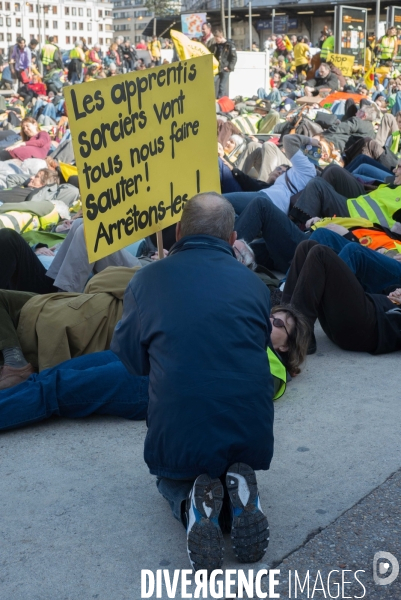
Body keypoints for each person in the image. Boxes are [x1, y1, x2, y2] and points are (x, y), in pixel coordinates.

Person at [111, 193, 278, 572]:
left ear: (178, 231)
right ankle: (240, 501)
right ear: (232, 236)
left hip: (179, 434)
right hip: (251, 433)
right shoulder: (254, 285)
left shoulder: (146, 280)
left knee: (170, 480)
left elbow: (132, 363)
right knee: (223, 452)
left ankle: (190, 504)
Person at [282, 240, 401, 355]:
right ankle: (283, 318)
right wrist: (394, 291)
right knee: (306, 246)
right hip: (368, 310)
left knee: (321, 254)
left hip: (370, 328)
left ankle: (299, 334)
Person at [213, 29, 237, 99]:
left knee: (222, 86)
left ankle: (220, 101)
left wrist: (229, 67)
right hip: (218, 68)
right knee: (213, 81)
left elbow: (234, 57)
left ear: (220, 37)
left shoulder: (229, 45)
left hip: (225, 68)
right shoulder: (217, 45)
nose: (216, 41)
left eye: (217, 39)